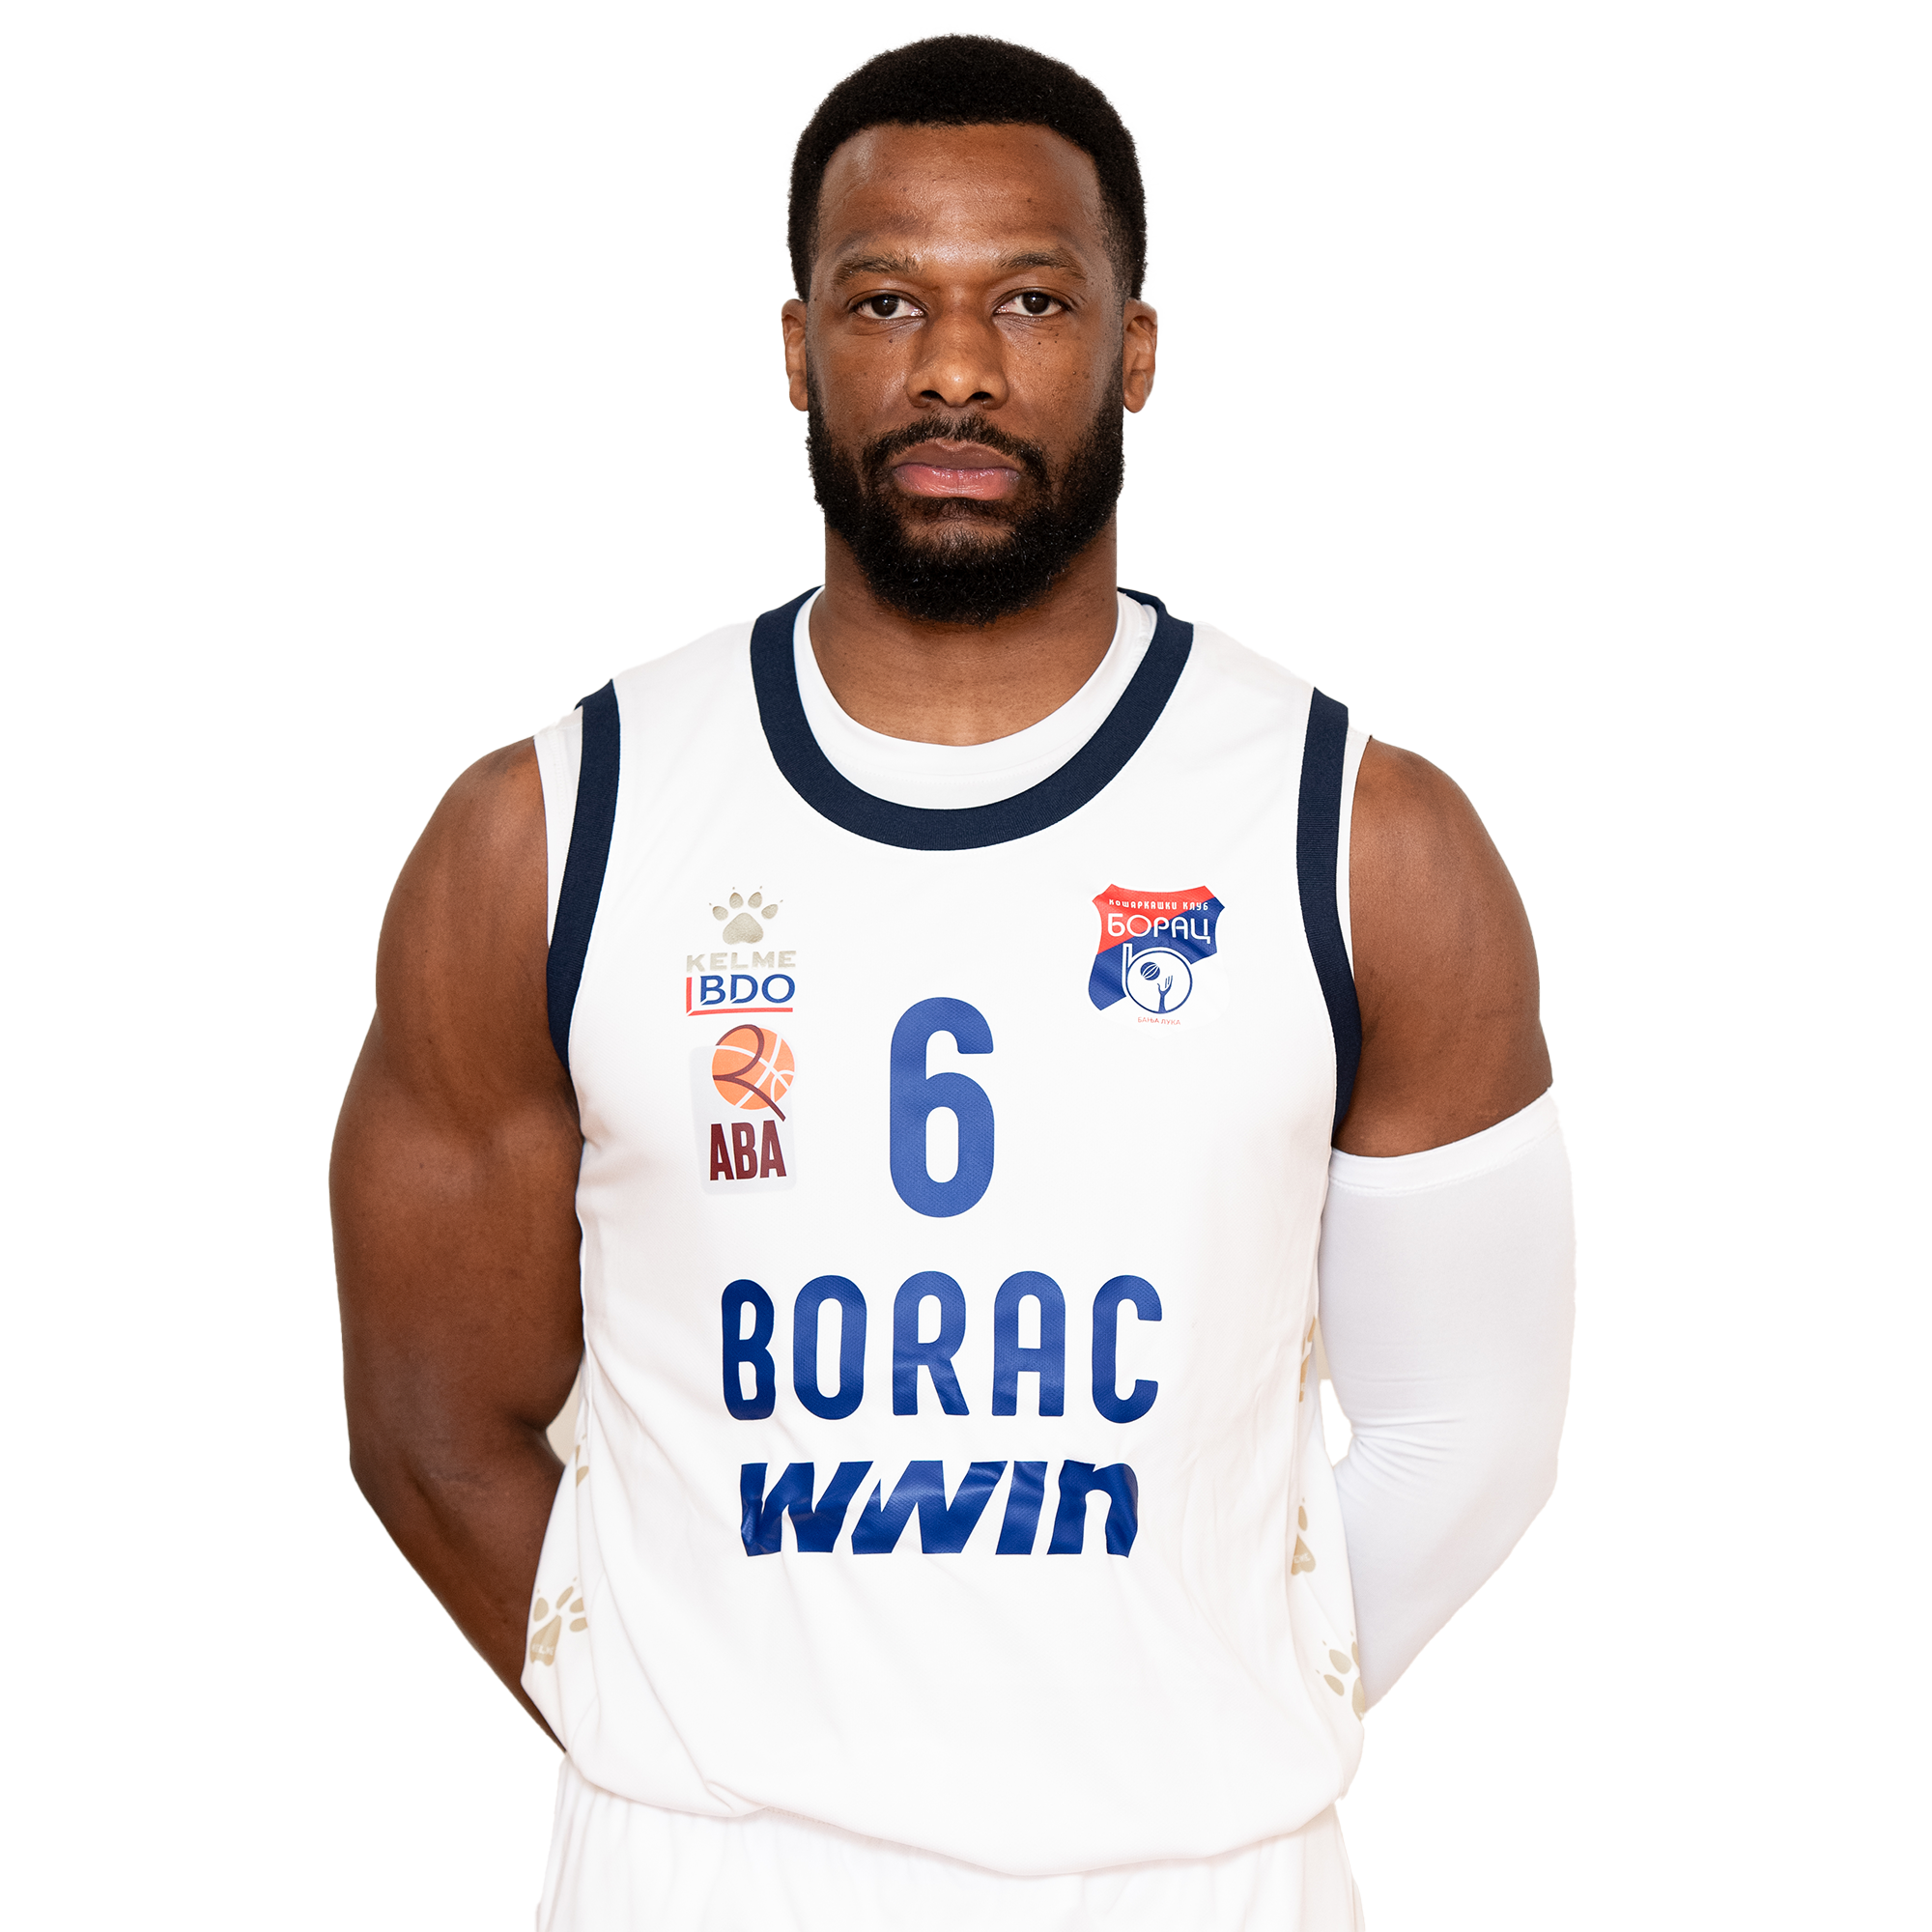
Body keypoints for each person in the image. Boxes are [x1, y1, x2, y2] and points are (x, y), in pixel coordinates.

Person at [331, 32, 1575, 1932]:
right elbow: (428, 1424)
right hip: (705, 1875)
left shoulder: (1364, 840)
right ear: (797, 348)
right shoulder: (552, 831)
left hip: (1192, 1878)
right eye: (886, 300)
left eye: (1032, 301)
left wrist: (1209, 1727)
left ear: (1132, 351)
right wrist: (676, 1733)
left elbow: (1468, 1430)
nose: (956, 367)